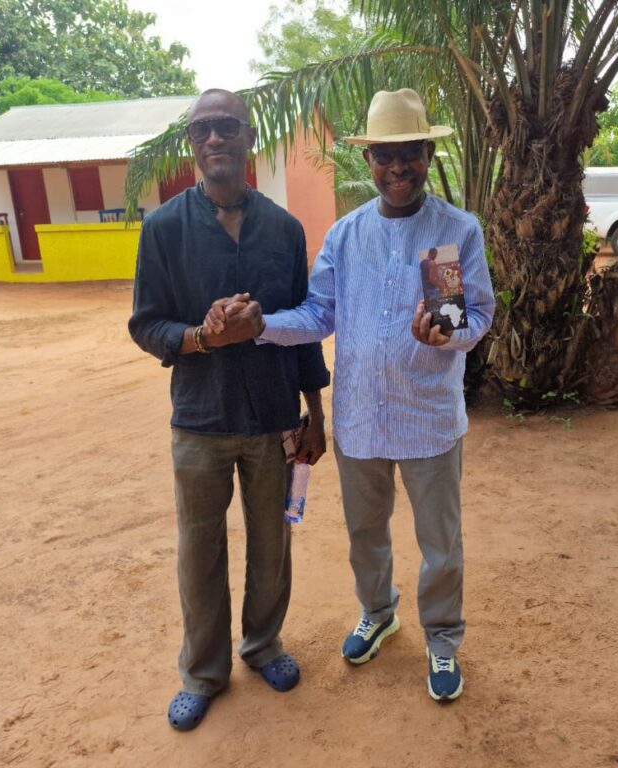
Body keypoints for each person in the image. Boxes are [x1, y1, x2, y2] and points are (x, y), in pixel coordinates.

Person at [205, 88, 495, 702]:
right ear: (369, 161)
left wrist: (449, 333)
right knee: (366, 535)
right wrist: (262, 325)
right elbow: (318, 314)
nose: (398, 167)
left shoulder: (454, 231)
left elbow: (475, 318)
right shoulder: (345, 235)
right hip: (361, 419)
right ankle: (378, 613)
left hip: (429, 419)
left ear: (427, 154)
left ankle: (442, 639)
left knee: (440, 543)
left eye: (409, 153)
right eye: (385, 155)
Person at [128, 89, 330, 731]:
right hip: (200, 421)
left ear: (249, 136)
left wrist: (314, 412)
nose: (214, 138)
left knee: (272, 543)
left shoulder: (284, 229)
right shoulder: (163, 229)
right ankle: (203, 671)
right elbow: (146, 324)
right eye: (202, 130)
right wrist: (202, 336)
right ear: (192, 143)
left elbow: (303, 328)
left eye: (226, 127)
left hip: (274, 417)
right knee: (199, 551)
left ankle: (263, 645)